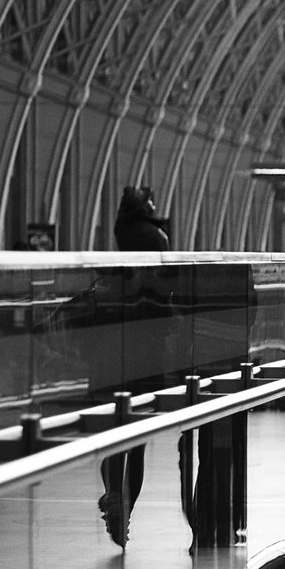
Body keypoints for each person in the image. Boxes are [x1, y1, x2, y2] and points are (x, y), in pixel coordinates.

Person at [97, 186, 174, 546]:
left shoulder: (119, 234)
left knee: (115, 432)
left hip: (114, 346)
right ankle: (124, 510)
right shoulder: (157, 238)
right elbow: (166, 288)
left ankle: (114, 493)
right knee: (139, 439)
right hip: (148, 347)